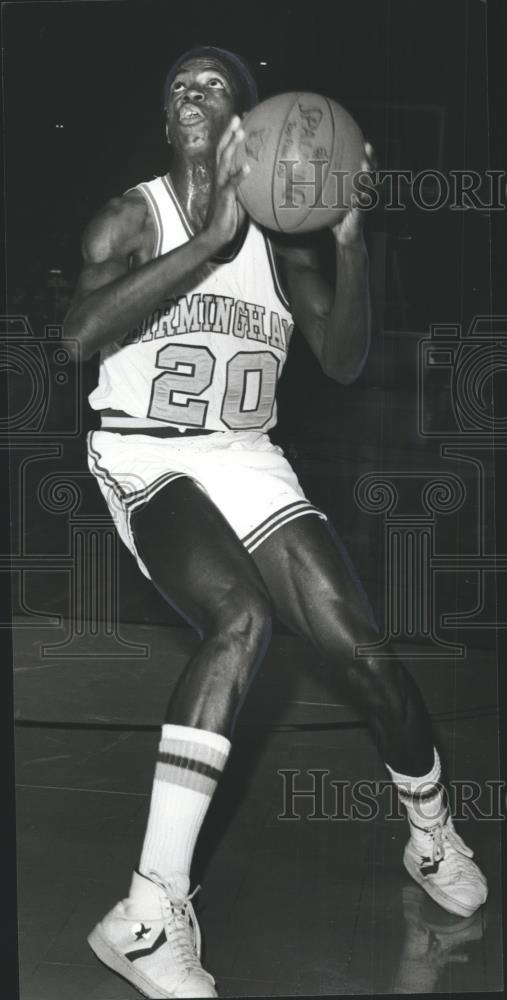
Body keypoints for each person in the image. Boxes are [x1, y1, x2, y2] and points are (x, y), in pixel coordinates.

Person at [64, 45, 487, 1000]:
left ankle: (428, 830)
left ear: (251, 128)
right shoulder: (134, 216)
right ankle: (147, 911)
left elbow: (341, 361)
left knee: (360, 646)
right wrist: (204, 245)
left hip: (246, 454)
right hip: (145, 452)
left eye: (213, 82)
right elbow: (77, 338)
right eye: (177, 79)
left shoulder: (285, 241)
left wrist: (346, 239)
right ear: (162, 116)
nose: (190, 90)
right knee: (242, 619)